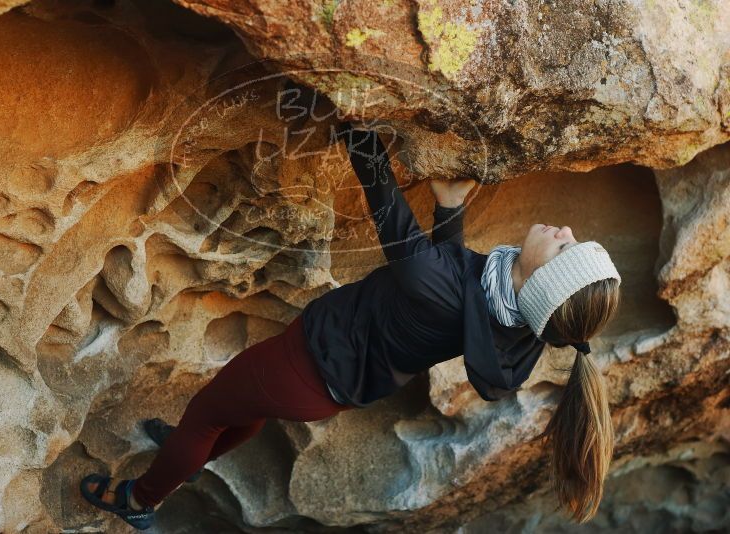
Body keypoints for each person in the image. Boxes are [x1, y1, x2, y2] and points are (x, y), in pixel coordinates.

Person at [80, 121, 622, 529]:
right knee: (244, 413)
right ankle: (189, 461)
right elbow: (452, 283)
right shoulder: (517, 318)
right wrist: (450, 210)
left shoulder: (458, 291)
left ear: (543, 286)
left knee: (203, 414)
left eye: (564, 250)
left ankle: (140, 501)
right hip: (329, 383)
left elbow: (388, 206)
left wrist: (354, 119)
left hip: (301, 368)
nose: (565, 231)